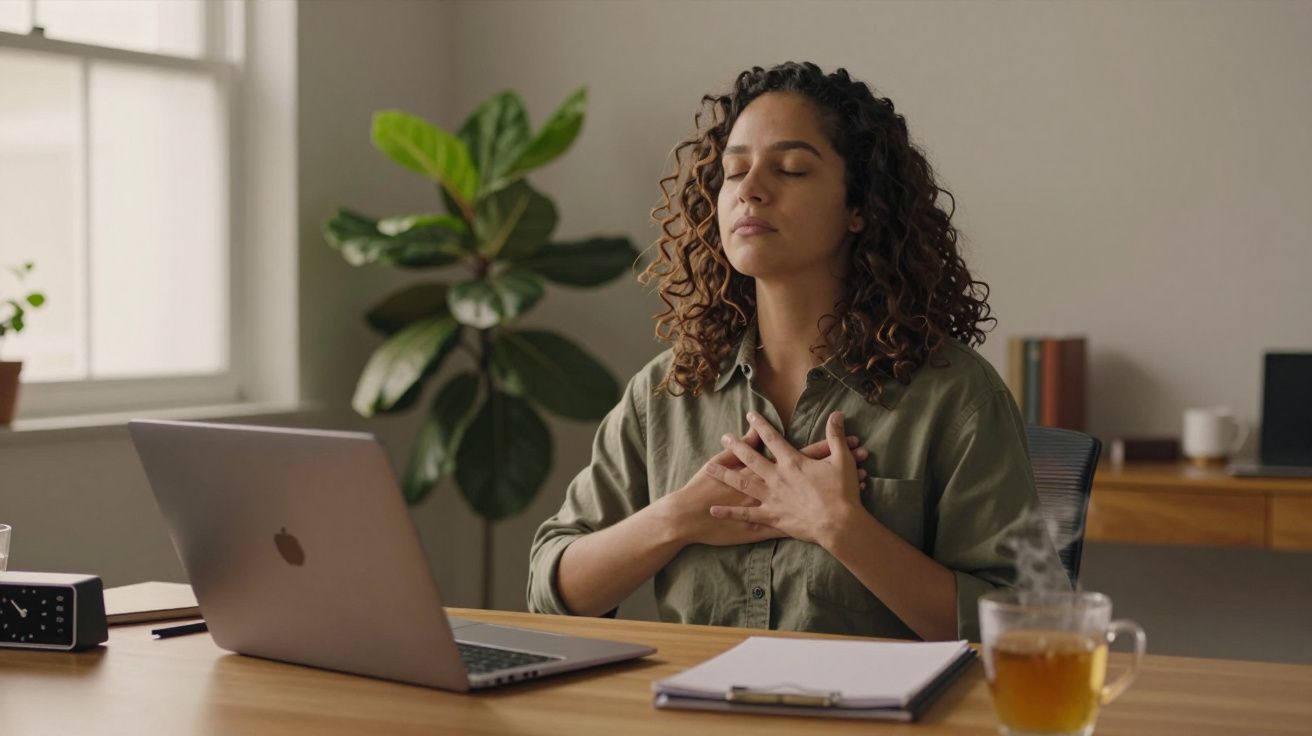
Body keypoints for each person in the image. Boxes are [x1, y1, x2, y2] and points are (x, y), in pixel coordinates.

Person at [527, 61, 1063, 642]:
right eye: (734, 171)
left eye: (791, 169)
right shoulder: (666, 393)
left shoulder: (955, 397)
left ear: (860, 207)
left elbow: (1030, 629)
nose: (750, 189)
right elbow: (551, 595)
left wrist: (839, 527)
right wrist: (679, 517)